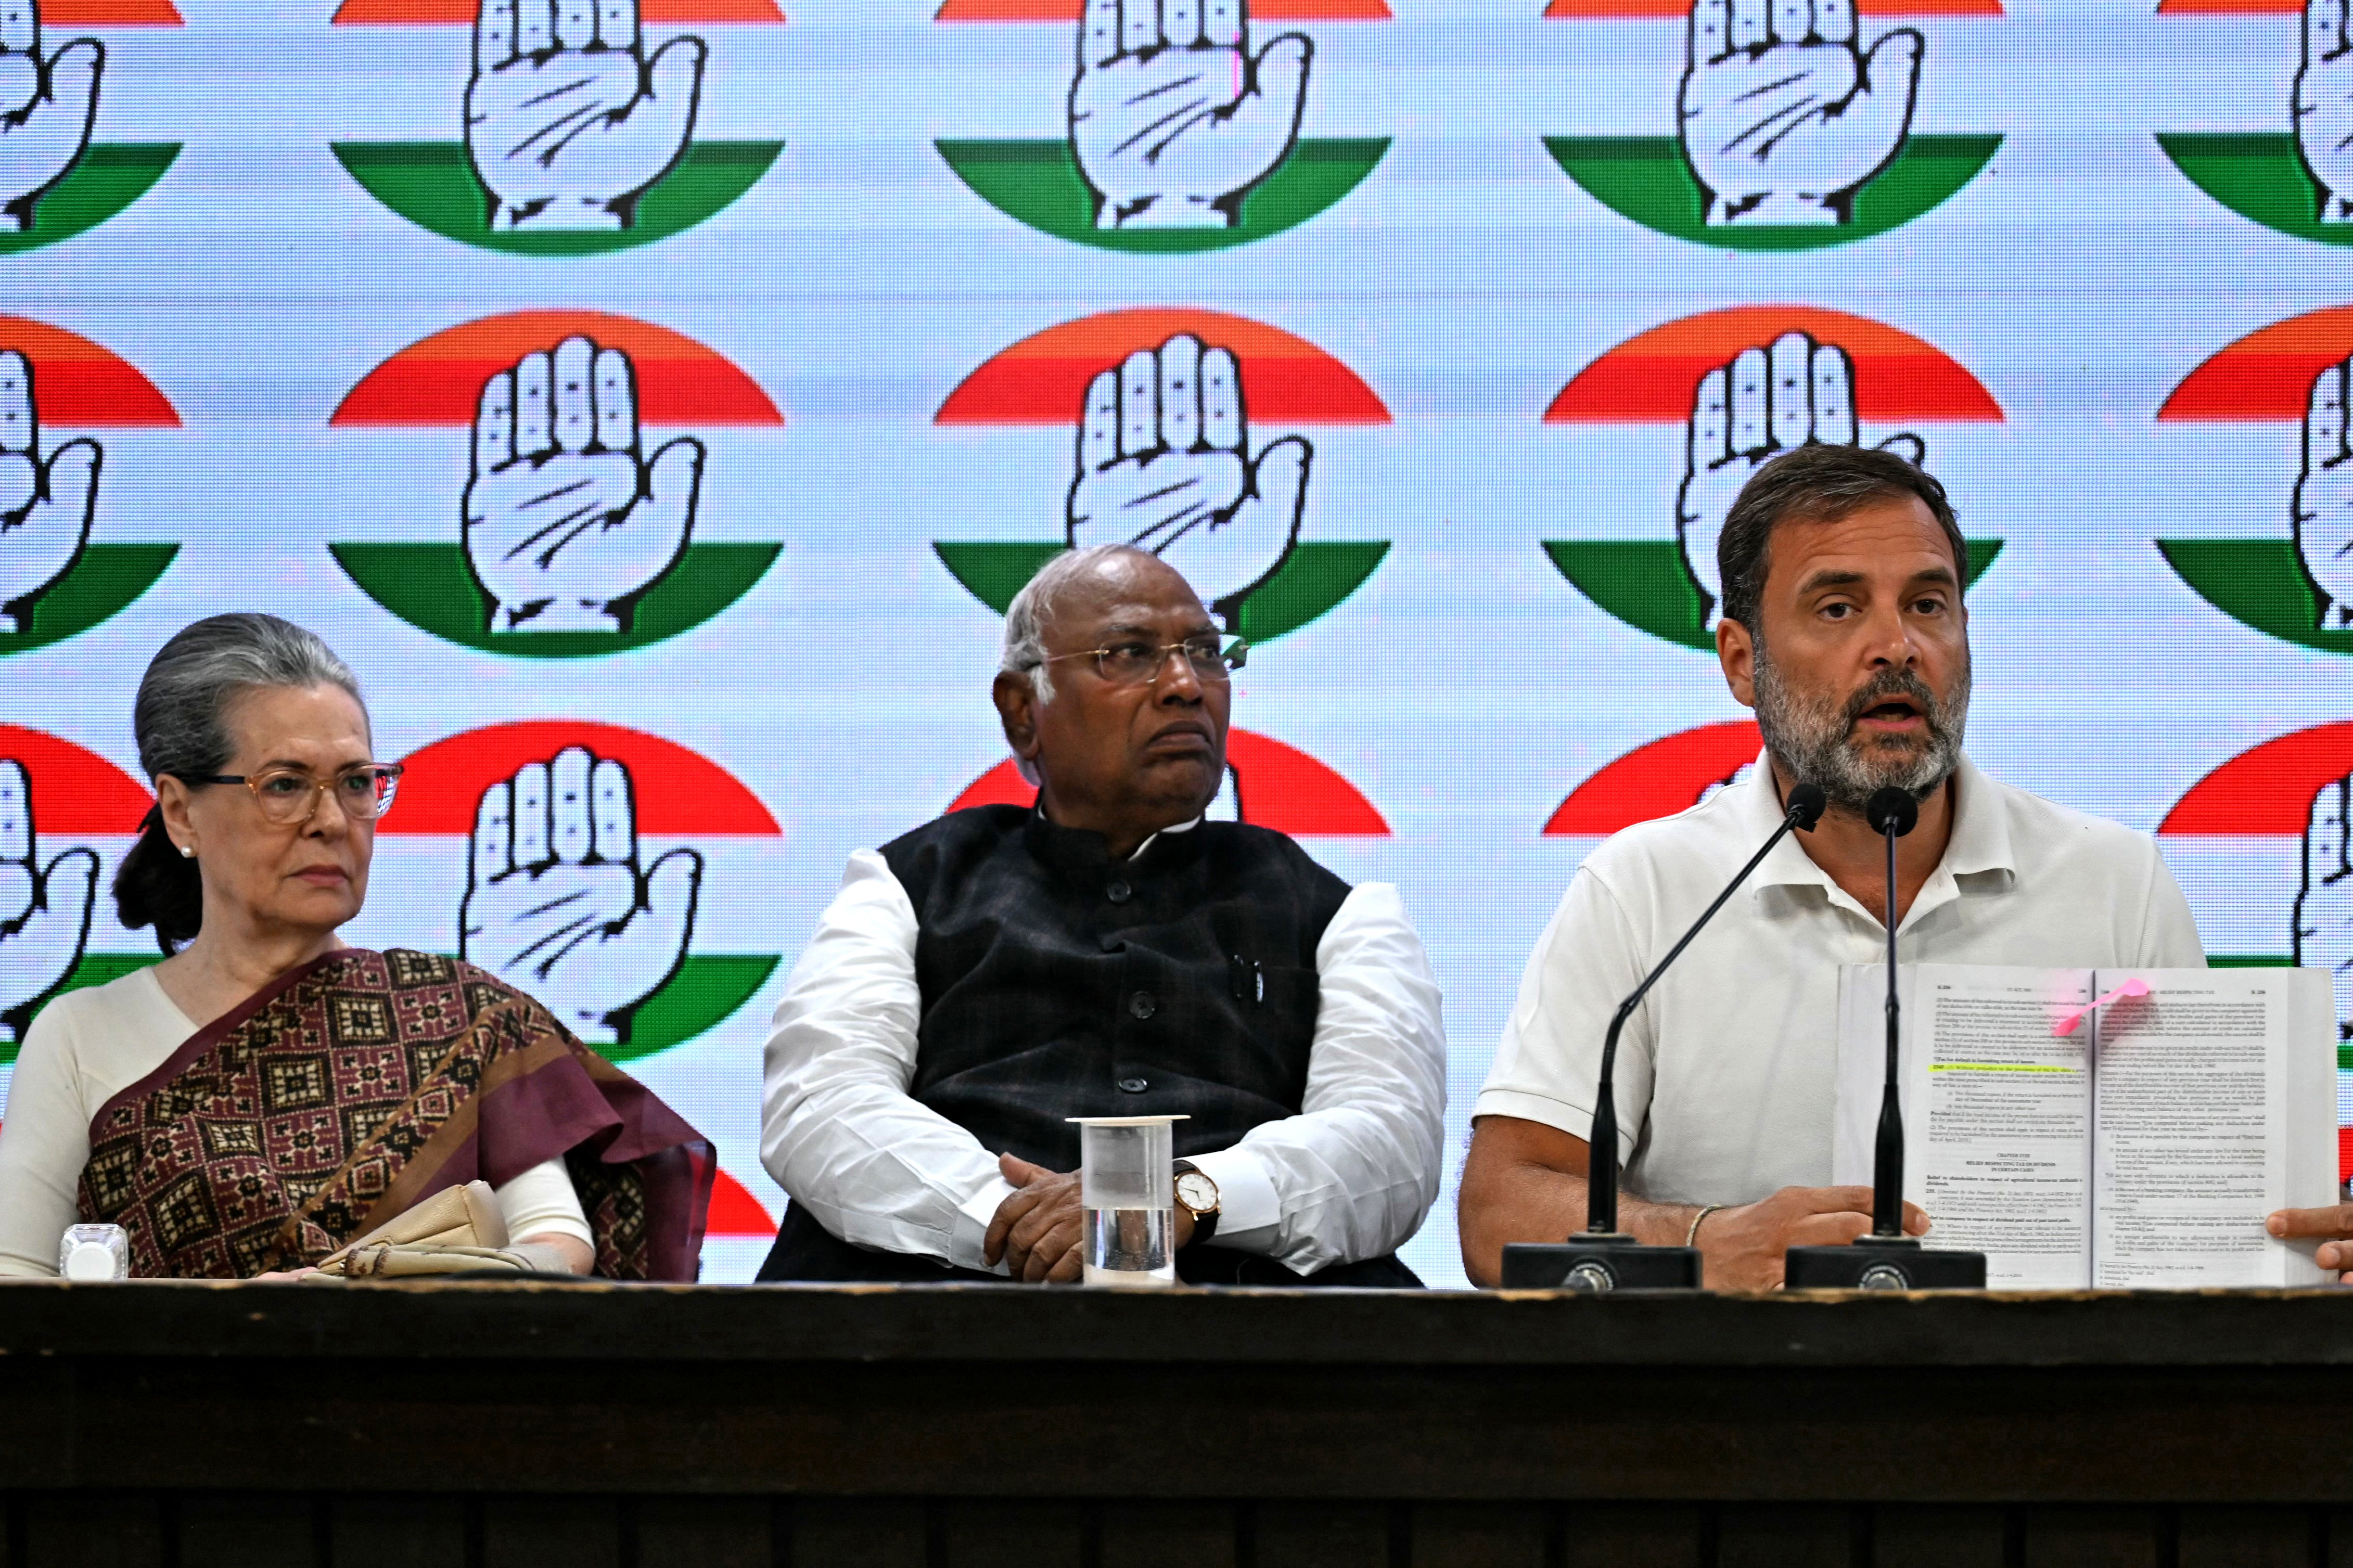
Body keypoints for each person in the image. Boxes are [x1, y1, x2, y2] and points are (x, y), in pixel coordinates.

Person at [1458, 444, 2212, 1289]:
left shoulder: (2113, 883)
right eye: (1837, 608)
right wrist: (1704, 1240)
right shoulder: (1645, 891)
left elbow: (2201, 1200)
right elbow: (1500, 1212)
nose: (1896, 646)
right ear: (1742, 661)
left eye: (1928, 604)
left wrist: (2313, 1235)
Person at [759, 544, 1445, 1286]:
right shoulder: (902, 883)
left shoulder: (1343, 912)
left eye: (1205, 653)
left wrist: (1178, 1200)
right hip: (934, 1306)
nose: (1185, 685)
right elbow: (822, 1105)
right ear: (1024, 711)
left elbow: (1388, 1143)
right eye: (1130, 654)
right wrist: (1033, 1227)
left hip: (1250, 1317)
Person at [0, 613, 712, 1280]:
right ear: (181, 809)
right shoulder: (81, 1035)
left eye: (357, 783)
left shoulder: (463, 1018)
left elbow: (558, 1244)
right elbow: (17, 1285)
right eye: (285, 785)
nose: (332, 821)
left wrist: (372, 1288)